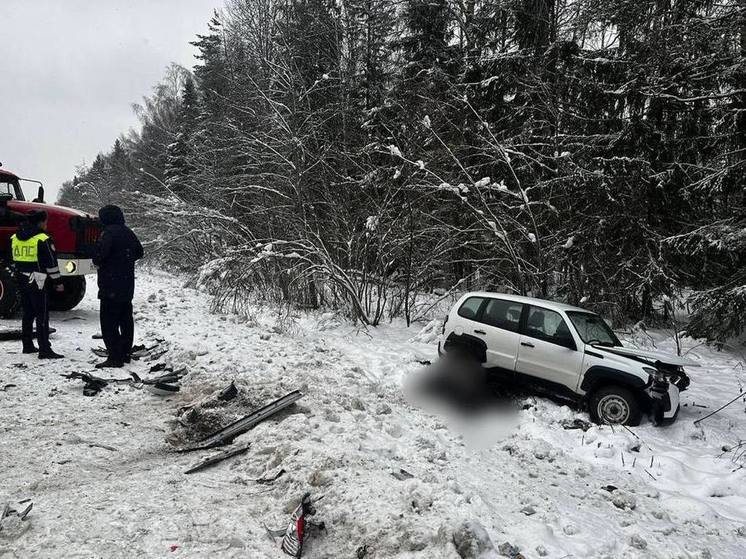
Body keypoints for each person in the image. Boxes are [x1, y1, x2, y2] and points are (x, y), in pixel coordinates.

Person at [92, 205, 143, 368]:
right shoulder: (128, 232)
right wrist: (124, 259)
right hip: (127, 283)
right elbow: (139, 252)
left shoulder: (108, 233)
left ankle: (114, 357)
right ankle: (125, 352)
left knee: (109, 322)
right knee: (126, 319)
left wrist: (100, 257)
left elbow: (99, 256)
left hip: (110, 284)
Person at [11, 210, 64, 359]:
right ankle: (44, 349)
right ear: (40, 222)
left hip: (21, 277)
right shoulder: (43, 239)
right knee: (42, 314)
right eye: (45, 221)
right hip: (38, 278)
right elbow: (51, 264)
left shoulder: (15, 237)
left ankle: (27, 345)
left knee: (28, 313)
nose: (46, 224)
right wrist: (58, 282)